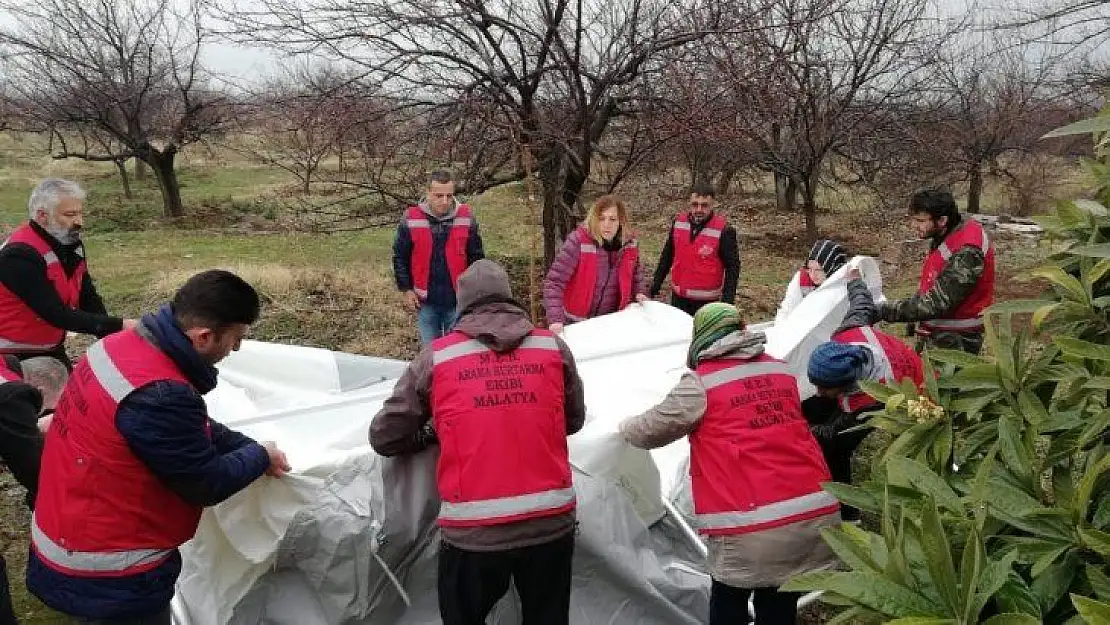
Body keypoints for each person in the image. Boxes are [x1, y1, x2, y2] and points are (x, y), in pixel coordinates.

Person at [27, 270, 291, 624]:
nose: (237, 349)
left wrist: (242, 444)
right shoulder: (162, 394)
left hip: (66, 528)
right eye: (236, 339)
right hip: (111, 570)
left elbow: (185, 431)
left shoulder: (116, 348)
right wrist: (261, 455)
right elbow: (205, 481)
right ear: (204, 336)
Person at [370, 259, 586, 625]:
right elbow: (573, 420)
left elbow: (384, 435)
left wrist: (430, 433)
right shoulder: (553, 349)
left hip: (474, 533)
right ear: (509, 297)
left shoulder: (438, 357)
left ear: (461, 303)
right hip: (550, 524)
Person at [618, 303, 840, 625]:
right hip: (811, 511)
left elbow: (649, 431)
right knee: (778, 601)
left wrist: (620, 426)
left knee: (728, 601)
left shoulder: (701, 385)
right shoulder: (779, 371)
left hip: (751, 524)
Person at [804, 269, 924, 521]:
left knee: (836, 448)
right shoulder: (851, 332)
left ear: (846, 383)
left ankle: (849, 513)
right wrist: (854, 280)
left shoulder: (871, 399)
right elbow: (862, 302)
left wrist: (800, 432)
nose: (818, 391)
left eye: (824, 387)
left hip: (913, 397)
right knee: (813, 407)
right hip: (878, 374)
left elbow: (834, 431)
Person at [0, 179, 136, 367]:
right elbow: (55, 313)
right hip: (9, 356)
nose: (79, 222)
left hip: (48, 348)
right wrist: (119, 325)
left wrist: (113, 338)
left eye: (80, 213)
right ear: (42, 216)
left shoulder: (70, 246)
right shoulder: (18, 255)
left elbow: (88, 298)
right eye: (70, 215)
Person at [876, 188, 994, 354]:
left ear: (942, 220)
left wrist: (883, 310)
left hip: (956, 341)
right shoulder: (947, 234)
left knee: (944, 380)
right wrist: (914, 315)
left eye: (920, 221)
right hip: (939, 332)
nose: (914, 226)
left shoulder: (967, 251)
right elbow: (933, 284)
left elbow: (937, 303)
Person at [0, 355, 68, 625]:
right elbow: (37, 475)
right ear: (38, 392)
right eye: (46, 409)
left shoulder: (5, 364)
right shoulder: (13, 396)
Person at [392, 170, 485, 344]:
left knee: (457, 352)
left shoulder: (466, 217)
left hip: (458, 301)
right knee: (430, 355)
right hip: (425, 302)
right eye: (438, 195)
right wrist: (406, 289)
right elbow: (400, 257)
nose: (444, 201)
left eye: (449, 196)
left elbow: (477, 259)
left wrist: (475, 293)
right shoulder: (410, 218)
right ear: (427, 193)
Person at [543, 195, 648, 333]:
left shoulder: (630, 245)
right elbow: (555, 282)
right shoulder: (578, 241)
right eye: (601, 218)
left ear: (621, 221)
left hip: (610, 322)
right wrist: (556, 319)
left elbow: (635, 276)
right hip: (575, 323)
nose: (607, 224)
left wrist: (639, 293)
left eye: (612, 219)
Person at [649, 183, 741, 315]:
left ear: (712, 204)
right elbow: (667, 256)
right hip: (678, 299)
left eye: (704, 205)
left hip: (707, 304)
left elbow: (733, 267)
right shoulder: (678, 223)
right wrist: (655, 286)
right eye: (695, 204)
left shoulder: (724, 230)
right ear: (689, 203)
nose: (699, 209)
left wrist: (727, 303)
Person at [774, 238, 849, 324]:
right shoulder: (802, 279)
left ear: (831, 268)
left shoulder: (845, 282)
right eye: (810, 269)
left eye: (818, 270)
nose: (812, 274)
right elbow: (787, 309)